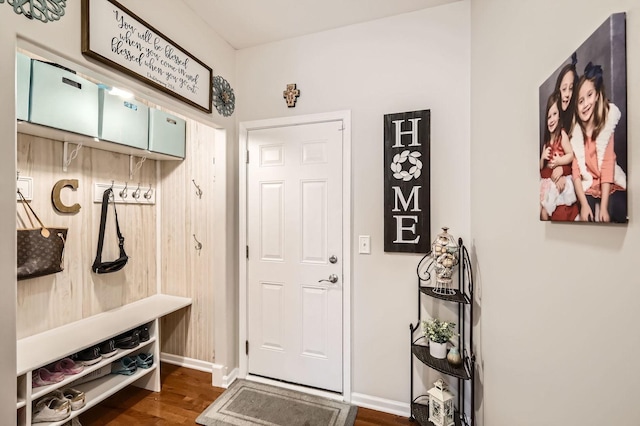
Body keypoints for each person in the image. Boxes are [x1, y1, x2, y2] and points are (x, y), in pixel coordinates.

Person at [570, 62, 627, 222]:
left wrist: (603, 207)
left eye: (589, 95)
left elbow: (608, 165)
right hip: (589, 186)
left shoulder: (605, 128)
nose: (586, 103)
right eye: (580, 101)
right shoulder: (576, 136)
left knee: (616, 210)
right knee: (585, 216)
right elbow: (576, 173)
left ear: (596, 96)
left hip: (607, 183)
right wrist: (584, 205)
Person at [539, 92, 577, 220]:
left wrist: (560, 161)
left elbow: (571, 155)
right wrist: (542, 157)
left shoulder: (562, 136)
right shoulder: (547, 143)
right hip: (549, 181)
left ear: (560, 115)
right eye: (549, 116)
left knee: (547, 210)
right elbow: (540, 168)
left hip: (562, 179)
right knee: (542, 210)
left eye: (554, 114)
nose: (551, 120)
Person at [554, 53, 579, 136]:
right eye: (564, 89)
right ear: (558, 89)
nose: (567, 94)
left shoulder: (576, 122)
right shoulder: (553, 119)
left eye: (571, 88)